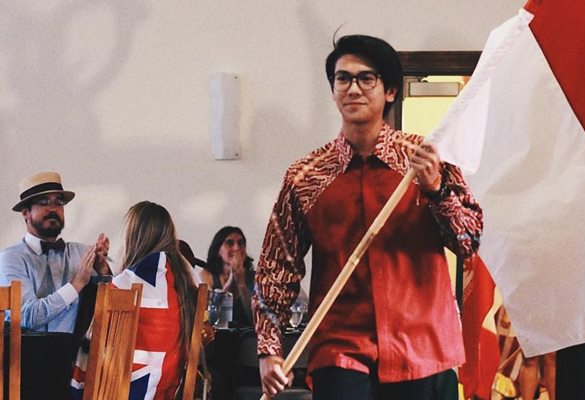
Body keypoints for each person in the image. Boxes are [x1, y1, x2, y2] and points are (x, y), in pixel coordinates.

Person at [254, 34, 483, 399]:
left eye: (366, 78)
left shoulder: (425, 160)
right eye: (343, 79)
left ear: (389, 91)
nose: (353, 88)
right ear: (333, 91)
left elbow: (468, 240)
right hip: (340, 350)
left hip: (422, 346)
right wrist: (269, 349)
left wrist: (436, 189)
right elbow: (275, 267)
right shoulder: (305, 176)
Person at [71, 201, 198, 399]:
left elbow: (95, 348)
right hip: (168, 389)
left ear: (134, 238)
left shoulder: (125, 284)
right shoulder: (188, 278)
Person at [0, 171, 111, 333]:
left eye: (58, 202)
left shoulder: (82, 252)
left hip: (74, 349)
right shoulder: (11, 258)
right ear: (26, 213)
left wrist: (104, 271)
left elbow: (114, 308)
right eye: (44, 202)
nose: (53, 209)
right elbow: (27, 316)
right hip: (26, 349)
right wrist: (76, 284)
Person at [200, 226, 255, 328]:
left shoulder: (255, 277)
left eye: (240, 243)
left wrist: (241, 283)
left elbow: (255, 319)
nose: (236, 248)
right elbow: (214, 318)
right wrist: (231, 280)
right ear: (218, 250)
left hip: (248, 333)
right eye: (229, 243)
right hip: (218, 333)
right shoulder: (207, 275)